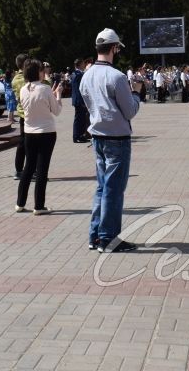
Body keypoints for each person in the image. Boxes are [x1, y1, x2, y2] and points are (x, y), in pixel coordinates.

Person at [80, 28, 142, 253]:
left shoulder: (86, 75)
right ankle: (108, 238)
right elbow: (129, 111)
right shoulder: (116, 77)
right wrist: (136, 93)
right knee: (114, 190)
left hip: (98, 136)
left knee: (102, 187)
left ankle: (95, 235)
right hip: (117, 137)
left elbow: (87, 104)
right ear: (114, 48)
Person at [16, 59, 63, 215]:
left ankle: (20, 203)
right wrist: (58, 95)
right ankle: (39, 205)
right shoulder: (45, 89)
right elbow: (56, 111)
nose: (44, 72)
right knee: (42, 169)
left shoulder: (23, 89)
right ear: (37, 72)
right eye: (42, 69)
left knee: (28, 167)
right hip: (46, 132)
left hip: (29, 132)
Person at [11, 53, 28, 178]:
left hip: (23, 113)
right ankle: (28, 170)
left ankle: (19, 169)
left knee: (23, 142)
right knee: (28, 143)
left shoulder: (16, 78)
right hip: (28, 114)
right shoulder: (23, 79)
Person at [70, 59, 89, 142]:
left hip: (77, 99)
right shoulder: (78, 74)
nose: (84, 65)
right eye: (83, 63)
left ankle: (80, 135)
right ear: (80, 64)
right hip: (79, 100)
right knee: (79, 119)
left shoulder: (75, 73)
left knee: (81, 118)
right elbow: (80, 89)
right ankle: (77, 136)